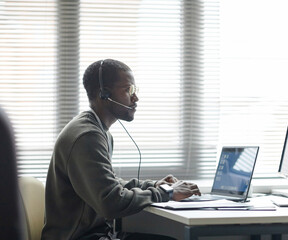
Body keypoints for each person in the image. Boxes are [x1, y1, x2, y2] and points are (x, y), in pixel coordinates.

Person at [41, 59, 201, 240]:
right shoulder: (87, 136)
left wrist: (154, 185)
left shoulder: (99, 131)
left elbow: (109, 184)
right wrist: (167, 193)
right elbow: (110, 202)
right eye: (128, 90)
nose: (135, 98)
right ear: (104, 94)